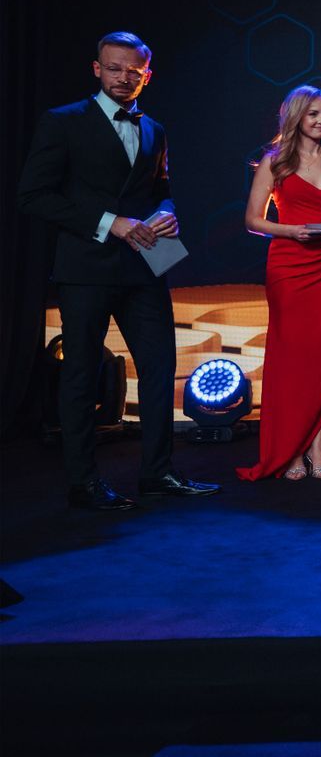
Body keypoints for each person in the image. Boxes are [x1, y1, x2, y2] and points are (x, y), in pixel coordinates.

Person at [17, 31, 218, 509]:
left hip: (146, 264)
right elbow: (33, 196)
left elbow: (161, 189)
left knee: (159, 369)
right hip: (86, 267)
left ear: (147, 75)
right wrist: (112, 223)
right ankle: (83, 483)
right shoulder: (63, 121)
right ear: (96, 69)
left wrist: (168, 212)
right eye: (113, 68)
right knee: (82, 374)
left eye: (133, 71)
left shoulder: (155, 129)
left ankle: (158, 473)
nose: (123, 78)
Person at [238, 86, 321, 481]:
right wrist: (291, 231)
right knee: (291, 360)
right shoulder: (273, 163)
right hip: (290, 267)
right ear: (295, 117)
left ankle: (318, 446)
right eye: (313, 114)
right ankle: (291, 449)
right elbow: (253, 220)